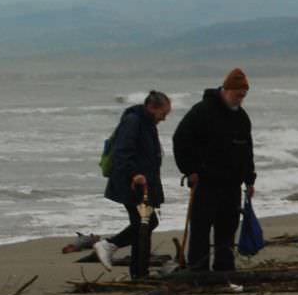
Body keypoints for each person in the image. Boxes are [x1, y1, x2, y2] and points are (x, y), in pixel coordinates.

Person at [172, 67, 256, 274]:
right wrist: (189, 170)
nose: (240, 99)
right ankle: (198, 270)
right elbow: (180, 139)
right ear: (227, 90)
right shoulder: (202, 111)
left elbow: (247, 149)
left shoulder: (241, 117)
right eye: (238, 95)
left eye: (243, 96)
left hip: (232, 184)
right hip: (205, 182)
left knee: (227, 228)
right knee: (201, 228)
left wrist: (249, 180)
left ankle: (224, 268)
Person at [99, 91, 171, 279]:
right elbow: (121, 152)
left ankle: (140, 273)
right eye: (163, 113)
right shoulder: (133, 121)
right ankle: (109, 245)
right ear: (153, 108)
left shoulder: (147, 123)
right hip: (131, 183)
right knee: (145, 223)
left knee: (144, 225)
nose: (164, 118)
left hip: (143, 183)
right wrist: (135, 174)